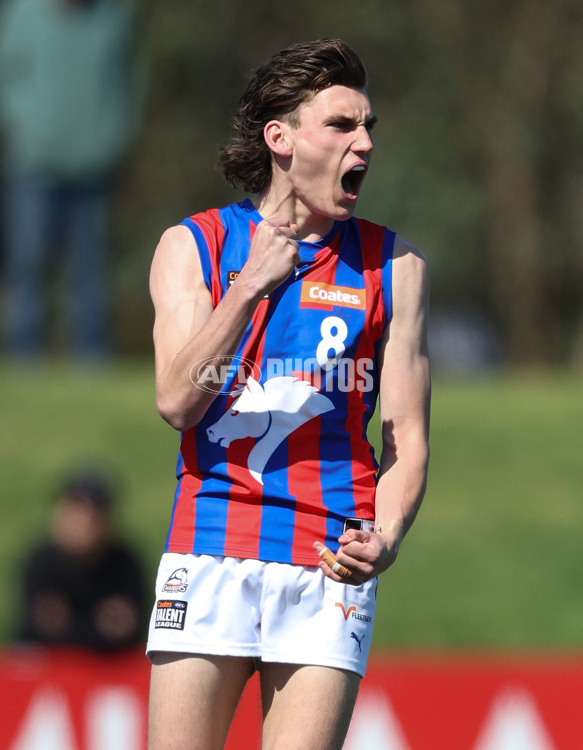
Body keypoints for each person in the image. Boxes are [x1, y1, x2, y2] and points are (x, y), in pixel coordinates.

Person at [147, 38, 430, 750]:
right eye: (342, 125)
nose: (364, 142)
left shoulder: (394, 267)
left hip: (327, 562)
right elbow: (178, 403)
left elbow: (407, 436)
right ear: (281, 138)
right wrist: (247, 289)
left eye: (369, 128)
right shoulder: (196, 246)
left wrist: (387, 536)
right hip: (210, 545)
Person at [0, 0, 142, 360]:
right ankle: (23, 361)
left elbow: (129, 82)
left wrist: (113, 138)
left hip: (93, 166)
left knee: (91, 269)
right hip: (29, 164)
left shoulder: (114, 16)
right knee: (27, 264)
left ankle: (93, 360)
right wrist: (19, 132)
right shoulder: (17, 13)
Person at [18, 470, 147, 652]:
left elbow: (130, 631)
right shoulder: (40, 562)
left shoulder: (126, 565)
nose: (83, 524)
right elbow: (36, 628)